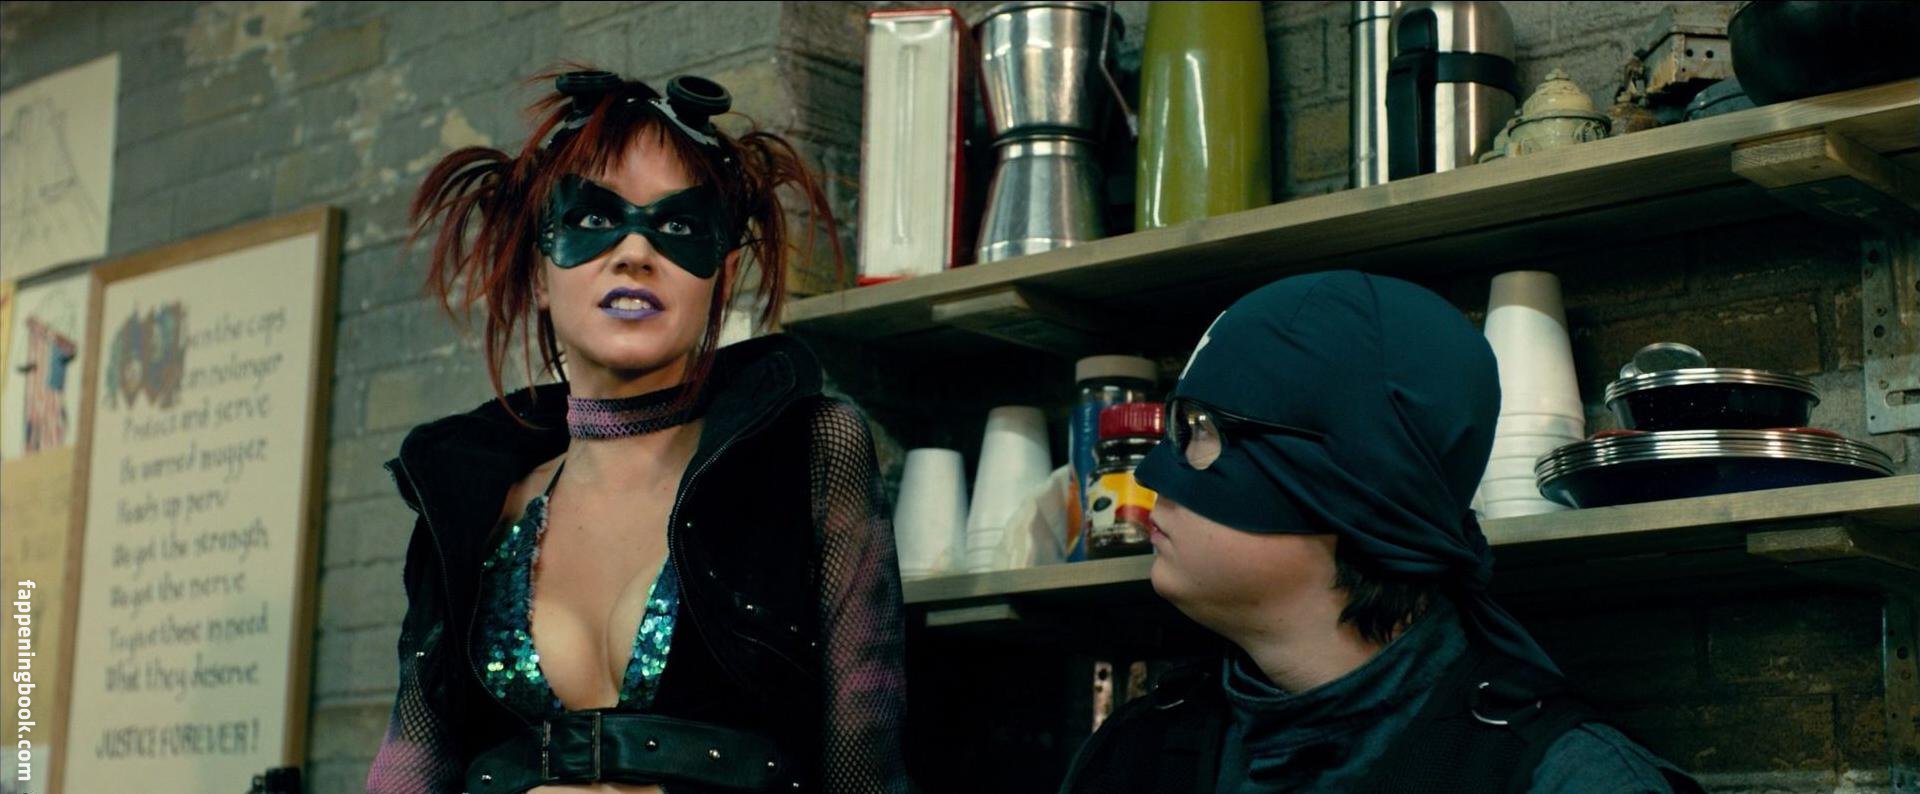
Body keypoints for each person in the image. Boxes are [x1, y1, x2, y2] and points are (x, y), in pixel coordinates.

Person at [365, 67, 908, 794]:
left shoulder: (808, 454)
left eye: (678, 227)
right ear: (537, 271)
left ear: (721, 273)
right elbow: (410, 765)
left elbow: (867, 763)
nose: (635, 253)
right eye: (593, 219)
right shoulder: (468, 506)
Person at [1058, 271, 1701, 793]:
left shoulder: (1566, 780)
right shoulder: (1134, 757)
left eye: (1200, 431)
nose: (1151, 475)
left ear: (1347, 489)